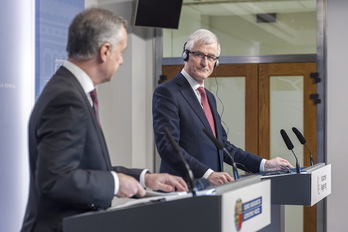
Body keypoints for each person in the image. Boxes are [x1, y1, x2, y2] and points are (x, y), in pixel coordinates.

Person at [21, 8, 188, 232]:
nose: (121, 61)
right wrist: (116, 183)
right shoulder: (67, 97)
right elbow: (56, 180)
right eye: (122, 52)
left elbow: (86, 167)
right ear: (105, 51)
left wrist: (143, 178)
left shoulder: (70, 89)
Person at [152, 29, 294, 186]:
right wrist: (208, 174)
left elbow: (223, 146)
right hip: (183, 189)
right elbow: (168, 147)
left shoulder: (209, 97)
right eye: (199, 55)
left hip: (211, 192)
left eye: (211, 57)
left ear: (216, 62)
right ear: (186, 55)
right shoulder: (167, 92)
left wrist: (264, 164)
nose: (205, 63)